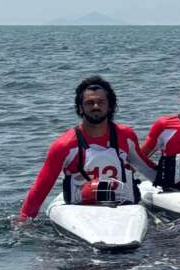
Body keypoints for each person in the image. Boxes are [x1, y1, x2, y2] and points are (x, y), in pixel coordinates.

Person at [18, 76, 155, 221]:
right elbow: (42, 187)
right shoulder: (64, 145)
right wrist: (24, 218)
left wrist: (170, 184)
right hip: (81, 211)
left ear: (110, 106)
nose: (96, 106)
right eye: (89, 103)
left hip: (123, 208)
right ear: (80, 107)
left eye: (101, 102)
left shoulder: (126, 136)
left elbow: (146, 168)